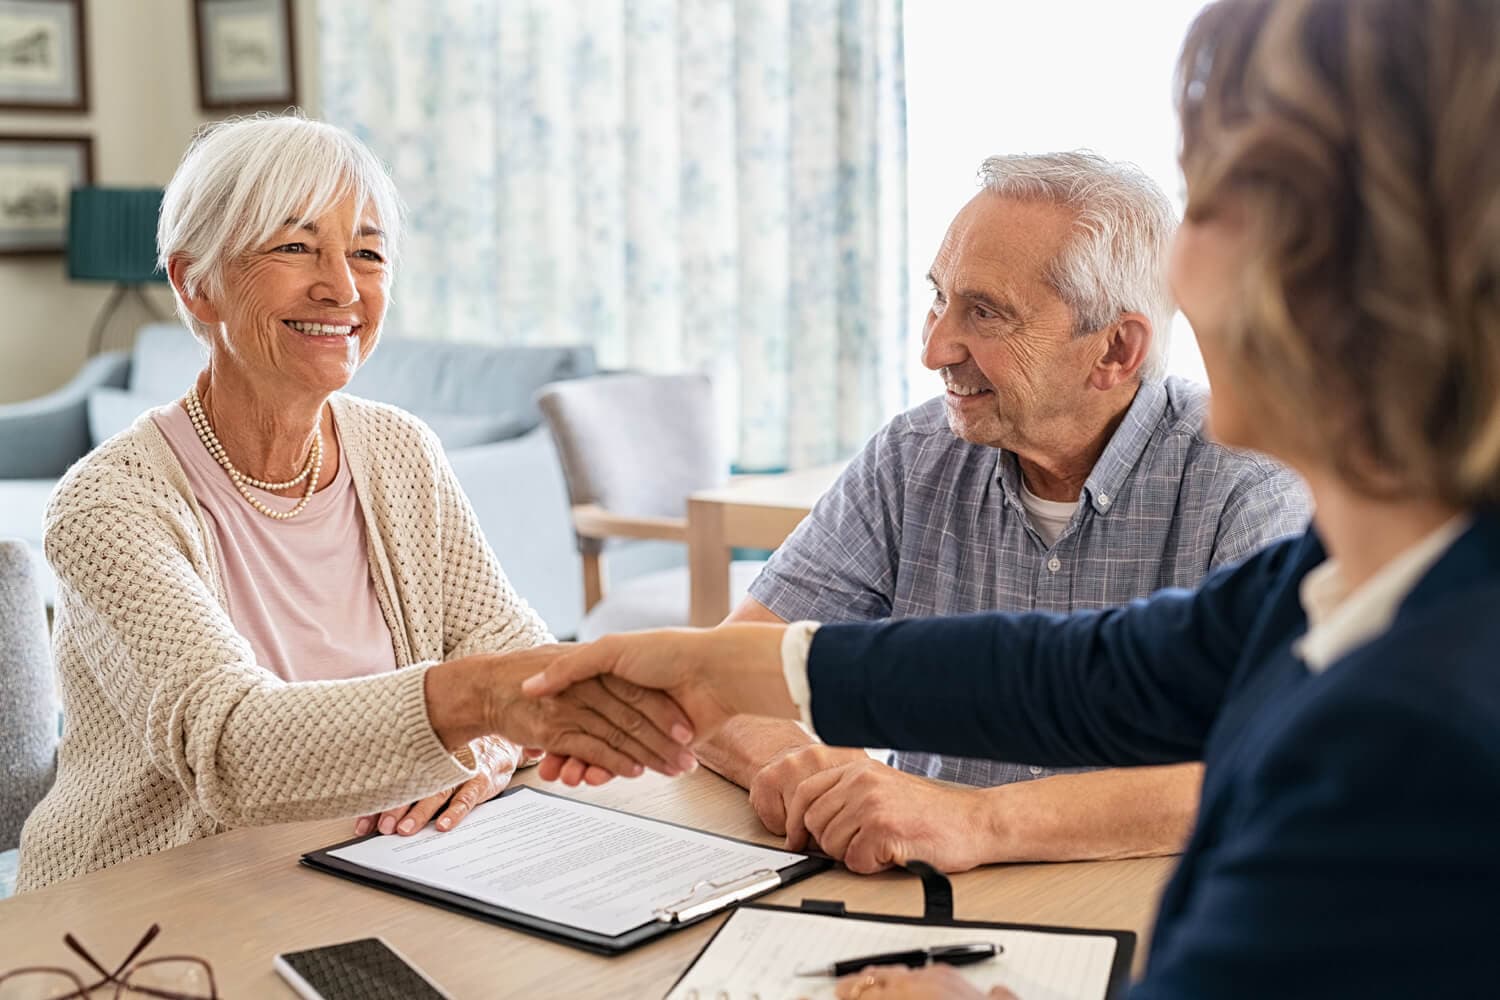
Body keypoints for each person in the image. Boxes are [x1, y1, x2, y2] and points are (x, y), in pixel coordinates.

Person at [522, 0, 1500, 995]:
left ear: (1352, 269)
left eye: (1210, 201)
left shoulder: (1415, 733)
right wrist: (718, 665)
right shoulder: (1352, 581)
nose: (1183, 275)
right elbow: (1085, 675)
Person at [14, 116, 694, 893]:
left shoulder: (399, 450)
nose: (342, 287)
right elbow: (230, 749)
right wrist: (473, 707)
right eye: (296, 246)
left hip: (370, 871)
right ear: (194, 283)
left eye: (367, 253)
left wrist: (482, 746)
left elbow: (516, 659)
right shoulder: (109, 506)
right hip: (151, 905)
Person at [699, 152, 1308, 871]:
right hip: (915, 899)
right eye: (939, 298)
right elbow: (728, 674)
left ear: (1116, 348)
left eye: (984, 312)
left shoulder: (1248, 479)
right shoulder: (912, 455)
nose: (934, 349)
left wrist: (980, 822)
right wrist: (809, 767)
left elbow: (1277, 757)